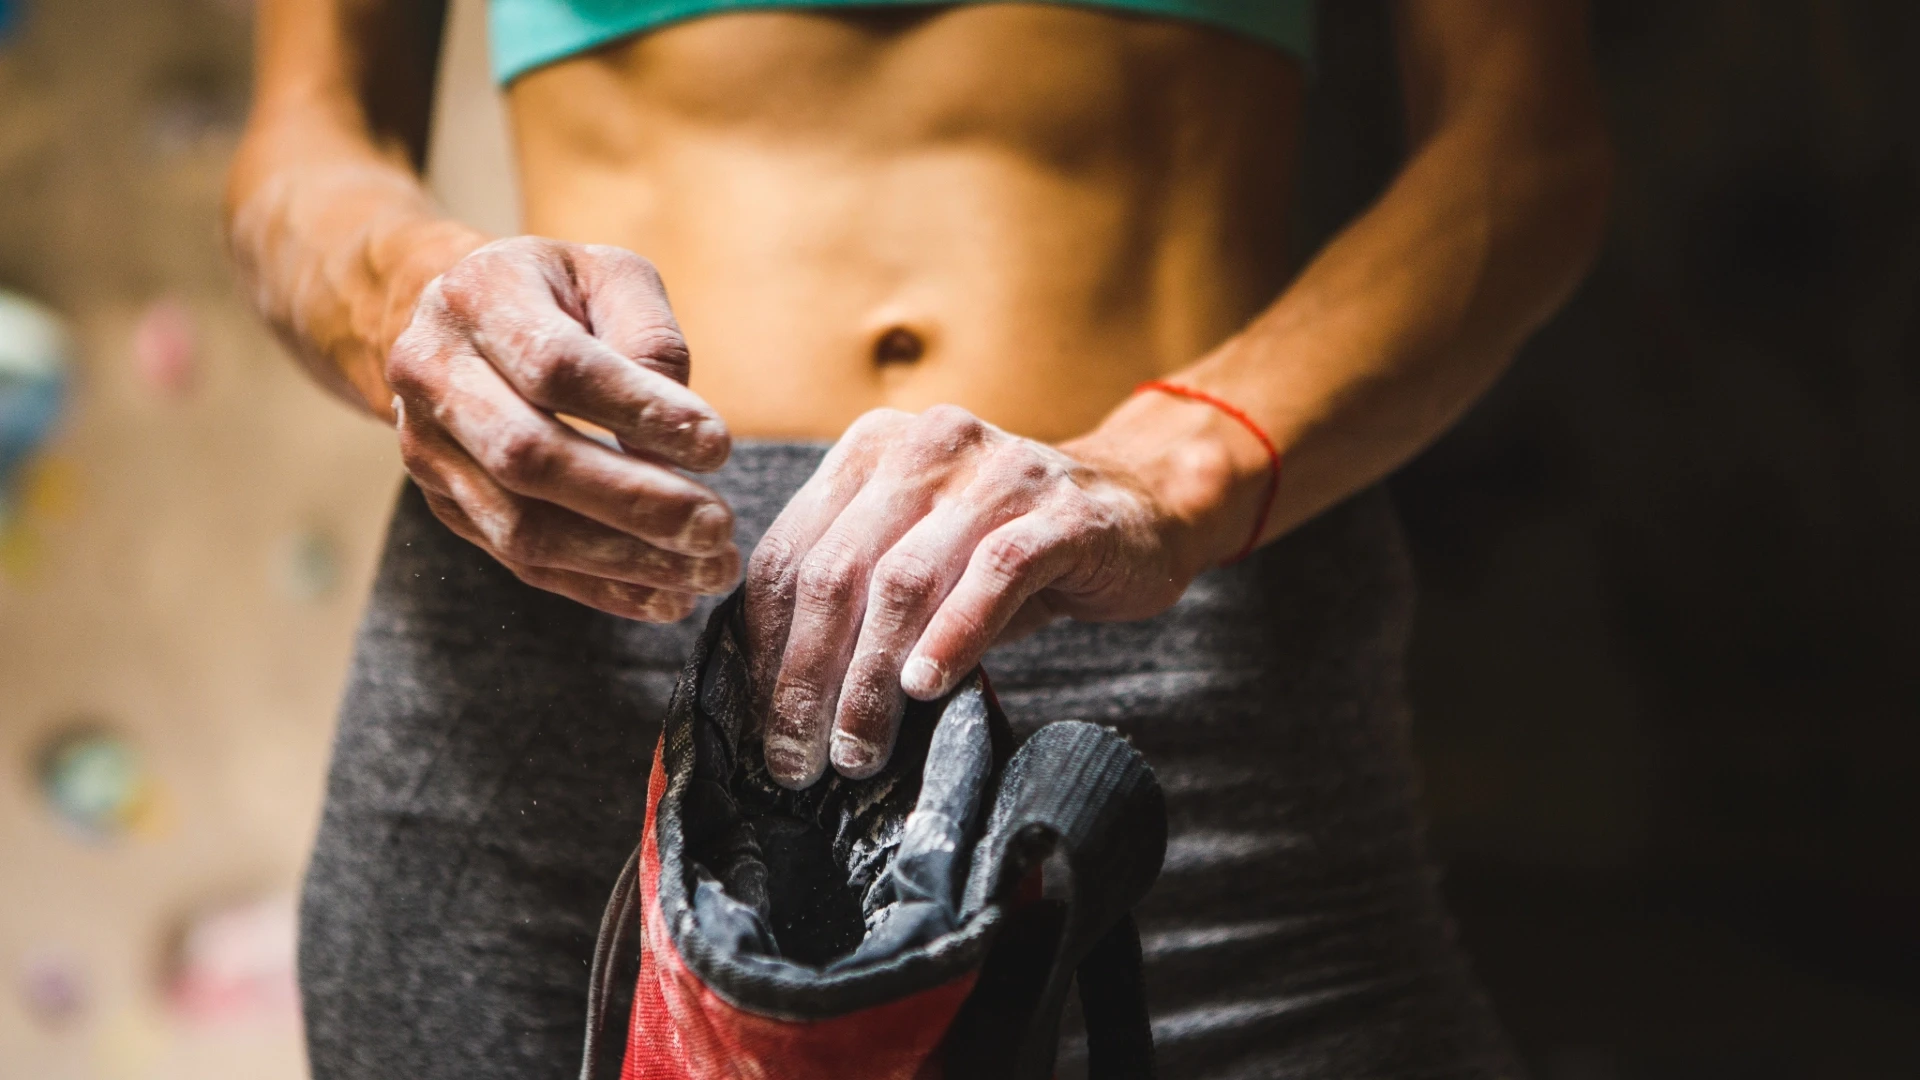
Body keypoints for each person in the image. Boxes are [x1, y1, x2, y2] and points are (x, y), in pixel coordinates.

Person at [227, 0, 1609, 1076]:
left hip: (1173, 616)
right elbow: (301, 146)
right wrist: (423, 302)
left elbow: (1522, 143)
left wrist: (1165, 469)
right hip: (576, 657)